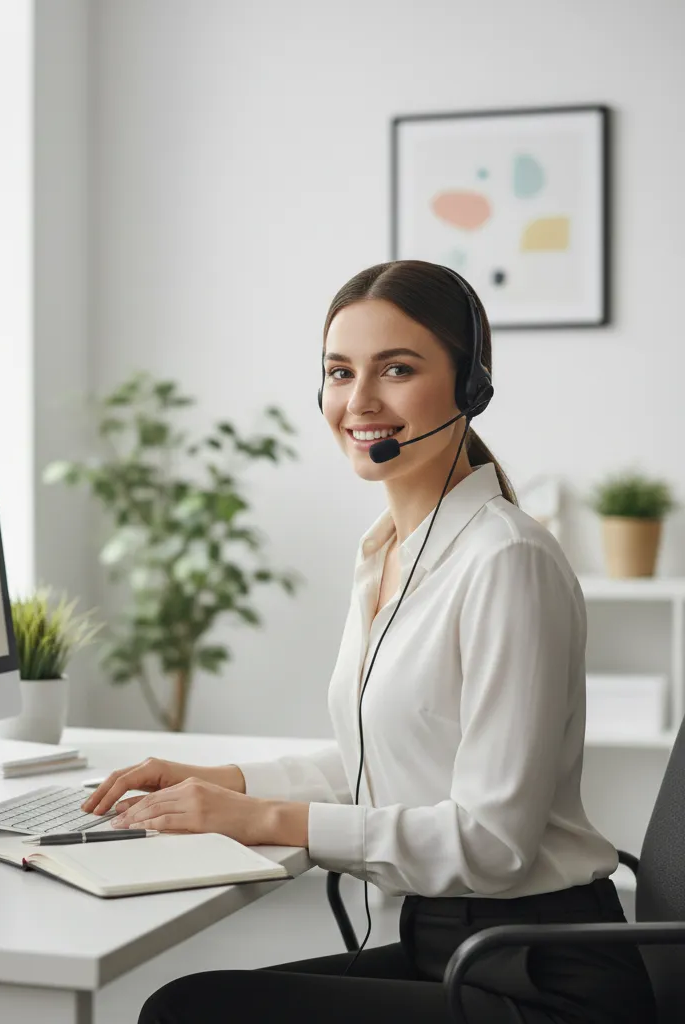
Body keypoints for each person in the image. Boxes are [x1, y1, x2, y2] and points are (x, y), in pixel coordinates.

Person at [80, 260, 658, 1024]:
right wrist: (222, 781)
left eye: (397, 369)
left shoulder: (506, 559)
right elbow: (382, 759)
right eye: (339, 372)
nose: (360, 402)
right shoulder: (388, 548)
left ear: (470, 388)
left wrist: (262, 820)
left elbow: (490, 842)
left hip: (542, 976)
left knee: (193, 1008)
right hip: (452, 948)